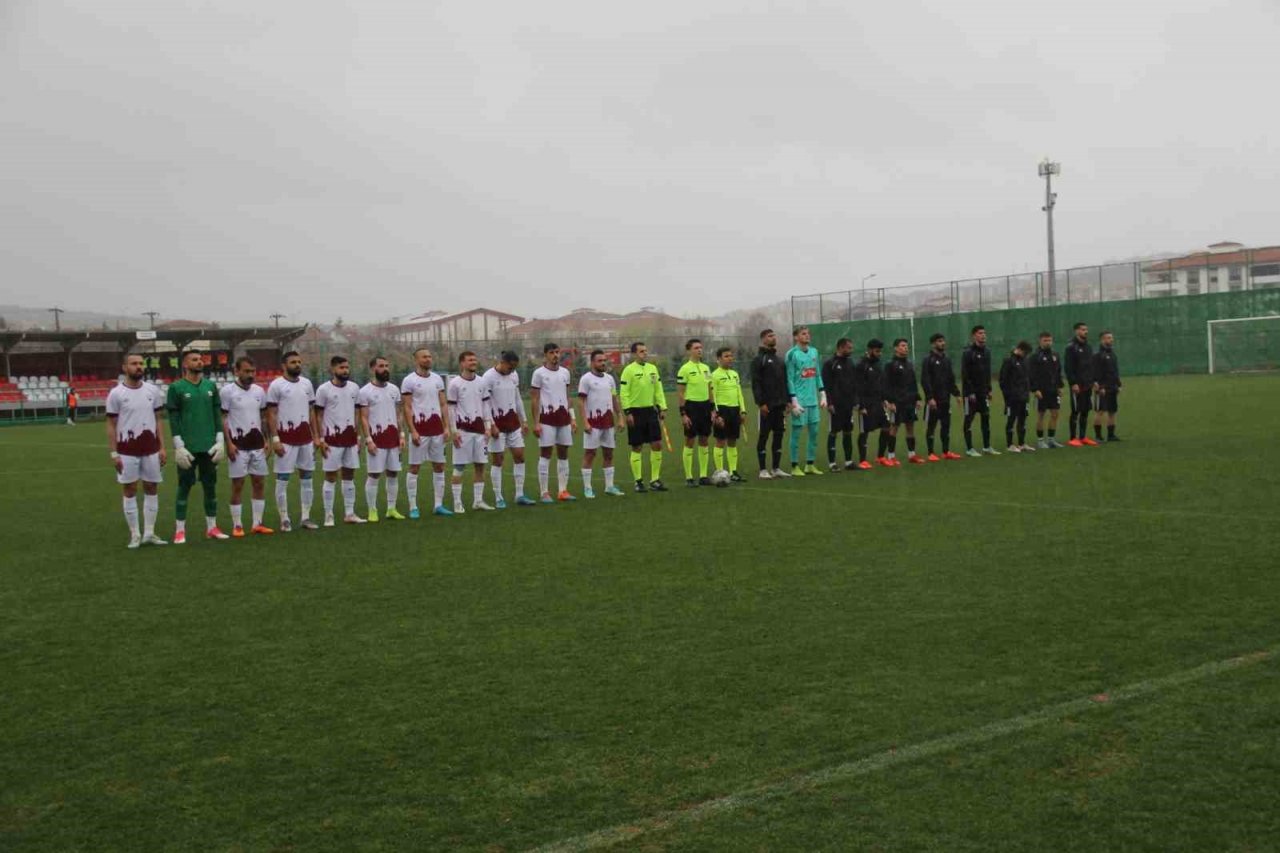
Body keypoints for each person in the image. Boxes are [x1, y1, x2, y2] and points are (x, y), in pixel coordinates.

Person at [106, 353, 168, 548]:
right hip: (126, 450)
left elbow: (158, 420)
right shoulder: (116, 394)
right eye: (134, 364)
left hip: (151, 449)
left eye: (141, 363)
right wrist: (114, 453)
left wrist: (162, 447)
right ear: (125, 367)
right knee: (130, 489)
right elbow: (111, 424)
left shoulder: (153, 391)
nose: (139, 367)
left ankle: (149, 532)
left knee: (151, 487)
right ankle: (135, 534)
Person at [167, 348, 227, 543]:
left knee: (210, 487)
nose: (199, 362)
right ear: (185, 364)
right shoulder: (176, 388)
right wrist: (178, 444)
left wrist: (220, 439)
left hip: (209, 446)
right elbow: (173, 418)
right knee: (184, 487)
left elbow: (217, 413)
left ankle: (212, 527)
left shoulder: (210, 386)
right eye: (194, 359)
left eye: (200, 359)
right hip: (188, 447)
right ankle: (180, 530)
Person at [220, 356, 274, 537]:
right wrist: (228, 444)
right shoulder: (227, 392)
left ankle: (257, 523)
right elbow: (223, 419)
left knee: (259, 483)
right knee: (238, 485)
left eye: (253, 371)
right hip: (238, 445)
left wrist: (266, 440)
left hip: (257, 445)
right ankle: (237, 525)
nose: (251, 375)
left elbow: (264, 417)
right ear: (237, 371)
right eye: (247, 371)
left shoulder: (259, 391)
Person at [265, 350, 318, 531]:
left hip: (306, 439)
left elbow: (312, 412)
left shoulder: (307, 384)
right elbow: (270, 414)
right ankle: (284, 518)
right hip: (285, 439)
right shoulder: (276, 386)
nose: (297, 365)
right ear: (284, 365)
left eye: (299, 362)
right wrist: (275, 439)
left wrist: (316, 436)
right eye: (293, 362)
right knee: (283, 478)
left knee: (307, 477)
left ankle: (306, 517)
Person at [312, 355, 365, 526]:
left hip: (350, 439)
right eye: (341, 368)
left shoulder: (354, 388)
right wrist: (320, 438)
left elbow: (357, 413)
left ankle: (349, 513)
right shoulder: (323, 390)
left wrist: (358, 436)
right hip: (331, 440)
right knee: (330, 476)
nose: (345, 371)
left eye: (347, 368)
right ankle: (329, 515)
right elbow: (318, 416)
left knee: (349, 475)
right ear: (333, 369)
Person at [401, 347, 453, 518]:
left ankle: (438, 505)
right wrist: (413, 430)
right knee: (414, 468)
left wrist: (446, 427)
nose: (428, 359)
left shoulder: (438, 379)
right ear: (416, 360)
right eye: (424, 357)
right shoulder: (409, 381)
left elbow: (444, 404)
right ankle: (413, 507)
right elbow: (407, 408)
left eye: (430, 356)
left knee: (439, 466)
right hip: (420, 431)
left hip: (437, 430)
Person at [483, 350, 535, 508]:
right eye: (510, 367)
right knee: (498, 460)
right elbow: (485, 403)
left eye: (514, 367)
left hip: (513, 423)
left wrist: (524, 420)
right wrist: (491, 424)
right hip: (497, 425)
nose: (512, 370)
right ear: (502, 362)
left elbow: (517, 398)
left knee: (520, 456)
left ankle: (519, 494)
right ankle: (499, 497)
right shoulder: (488, 377)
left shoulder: (514, 376)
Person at [358, 355, 407, 522]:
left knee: (393, 473)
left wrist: (401, 435)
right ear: (373, 369)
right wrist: (368, 440)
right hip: (376, 440)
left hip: (393, 438)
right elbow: (363, 418)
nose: (385, 369)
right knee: (374, 474)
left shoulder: (394, 389)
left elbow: (399, 414)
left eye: (387, 365)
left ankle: (391, 509)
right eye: (381, 366)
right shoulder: (365, 392)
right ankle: (372, 510)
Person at [447, 351, 496, 513]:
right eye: (470, 360)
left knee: (480, 466)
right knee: (459, 467)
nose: (473, 362)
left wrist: (488, 427)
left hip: (480, 432)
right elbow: (451, 409)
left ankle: (478, 501)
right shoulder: (454, 384)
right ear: (462, 363)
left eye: (475, 360)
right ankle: (457, 503)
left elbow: (486, 406)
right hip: (463, 432)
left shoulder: (482, 382)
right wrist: (454, 431)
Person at [618, 341, 669, 492]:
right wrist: (627, 412)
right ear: (634, 354)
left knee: (657, 444)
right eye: (641, 351)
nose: (645, 353)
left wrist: (662, 407)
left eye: (646, 351)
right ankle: (638, 481)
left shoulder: (653, 369)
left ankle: (654, 480)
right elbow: (624, 393)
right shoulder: (628, 370)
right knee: (637, 446)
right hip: (635, 413)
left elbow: (658, 389)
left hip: (650, 412)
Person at [530, 342, 578, 503]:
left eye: (557, 352)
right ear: (545, 355)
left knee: (563, 453)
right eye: (552, 352)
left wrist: (573, 418)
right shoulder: (539, 374)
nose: (556, 355)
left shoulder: (565, 372)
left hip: (563, 419)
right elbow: (535, 399)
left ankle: (563, 491)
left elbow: (568, 396)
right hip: (546, 419)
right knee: (546, 453)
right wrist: (536, 423)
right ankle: (544, 492)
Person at [578, 349, 626, 498]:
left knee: (609, 454)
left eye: (604, 360)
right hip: (593, 424)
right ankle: (587, 488)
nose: (603, 363)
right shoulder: (586, 379)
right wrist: (585, 422)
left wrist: (620, 416)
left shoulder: (610, 379)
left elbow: (614, 399)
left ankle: (609, 486)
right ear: (592, 362)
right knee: (590, 454)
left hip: (608, 423)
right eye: (600, 361)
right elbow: (580, 402)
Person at [784, 325, 826, 476]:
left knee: (814, 432)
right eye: (803, 334)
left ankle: (810, 464)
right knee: (796, 433)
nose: (807, 336)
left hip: (813, 400)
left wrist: (823, 394)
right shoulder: (791, 354)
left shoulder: (814, 352)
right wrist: (794, 401)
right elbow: (789, 379)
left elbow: (817, 374)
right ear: (796, 337)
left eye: (808, 334)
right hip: (799, 401)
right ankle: (795, 466)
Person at [749, 329, 790, 479]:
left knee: (778, 436)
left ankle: (776, 468)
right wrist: (761, 403)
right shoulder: (759, 359)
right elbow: (756, 383)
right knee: (764, 436)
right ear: (763, 339)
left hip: (780, 405)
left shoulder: (779, 360)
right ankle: (762, 470)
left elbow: (784, 382)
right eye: (770, 336)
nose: (773, 338)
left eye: (774, 335)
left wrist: (787, 401)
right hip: (766, 406)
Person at [677, 338, 715, 487]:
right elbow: (680, 393)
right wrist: (683, 413)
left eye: (701, 347)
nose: (699, 350)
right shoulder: (684, 369)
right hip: (691, 407)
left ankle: (704, 476)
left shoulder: (706, 368)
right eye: (696, 348)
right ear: (689, 351)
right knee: (690, 440)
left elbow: (710, 389)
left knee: (704, 440)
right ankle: (689, 477)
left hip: (705, 407)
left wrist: (713, 409)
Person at [920, 333, 963, 461]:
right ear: (933, 344)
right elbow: (925, 380)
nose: (942, 343)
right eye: (939, 341)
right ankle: (931, 453)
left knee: (946, 425)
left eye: (943, 341)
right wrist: (929, 397)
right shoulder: (928, 360)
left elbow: (950, 379)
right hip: (933, 400)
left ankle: (946, 451)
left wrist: (956, 394)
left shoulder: (946, 359)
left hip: (945, 399)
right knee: (931, 426)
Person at [710, 346, 748, 482]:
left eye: (731, 356)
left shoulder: (734, 374)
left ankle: (733, 472)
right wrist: (716, 414)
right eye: (726, 356)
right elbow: (712, 396)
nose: (730, 358)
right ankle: (720, 472)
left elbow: (739, 393)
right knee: (721, 441)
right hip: (722, 410)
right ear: (719, 359)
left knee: (732, 441)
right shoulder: (714, 375)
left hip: (734, 410)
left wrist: (743, 410)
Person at [884, 338, 924, 464]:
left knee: (910, 426)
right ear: (896, 348)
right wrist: (889, 402)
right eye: (902, 346)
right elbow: (886, 384)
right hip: (897, 402)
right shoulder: (890, 365)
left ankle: (912, 455)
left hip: (909, 401)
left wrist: (917, 398)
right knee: (894, 427)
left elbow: (913, 383)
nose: (905, 348)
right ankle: (891, 456)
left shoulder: (909, 364)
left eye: (906, 346)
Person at [961, 325, 999, 457]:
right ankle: (969, 449)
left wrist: (989, 389)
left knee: (986, 419)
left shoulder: (987, 352)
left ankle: (987, 447)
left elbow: (987, 373)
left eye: (984, 333)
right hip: (970, 394)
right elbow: (965, 374)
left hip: (983, 393)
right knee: (968, 419)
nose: (983, 335)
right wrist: (970, 392)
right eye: (980, 333)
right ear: (974, 336)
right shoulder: (968, 353)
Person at [821, 338, 858, 471]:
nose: (851, 350)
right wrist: (829, 402)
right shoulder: (829, 364)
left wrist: (855, 401)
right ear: (840, 347)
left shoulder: (850, 363)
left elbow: (854, 384)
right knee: (834, 432)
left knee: (848, 431)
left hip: (848, 404)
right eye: (848, 348)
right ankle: (832, 463)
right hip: (835, 404)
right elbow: (826, 385)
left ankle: (848, 462)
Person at [853, 339, 890, 469]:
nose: (879, 353)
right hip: (866, 403)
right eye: (877, 351)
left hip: (878, 402)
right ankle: (863, 460)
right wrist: (860, 405)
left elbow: (881, 384)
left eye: (880, 351)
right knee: (865, 431)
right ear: (869, 350)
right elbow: (856, 386)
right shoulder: (861, 365)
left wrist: (885, 399)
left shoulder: (878, 365)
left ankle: (880, 457)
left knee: (886, 427)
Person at [1028, 332, 1066, 449]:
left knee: (1055, 414)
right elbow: (1031, 375)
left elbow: (1058, 372)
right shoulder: (1035, 357)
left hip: (1053, 390)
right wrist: (1035, 389)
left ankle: (1051, 440)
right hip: (1041, 391)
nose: (1048, 343)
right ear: (1040, 341)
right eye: (1045, 340)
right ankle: (1040, 440)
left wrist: (1060, 386)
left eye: (1049, 340)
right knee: (1041, 415)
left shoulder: (1055, 355)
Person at [1064, 322, 1099, 447]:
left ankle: (1083, 436)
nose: (1086, 332)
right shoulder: (1071, 347)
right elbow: (1068, 367)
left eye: (1086, 329)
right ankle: (1073, 437)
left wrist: (1094, 381)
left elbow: (1091, 366)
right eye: (1083, 329)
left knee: (1085, 410)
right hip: (1077, 385)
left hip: (1087, 384)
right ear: (1076, 331)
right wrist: (1073, 383)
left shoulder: (1088, 347)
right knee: (1075, 410)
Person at [998, 342, 1034, 453]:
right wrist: (1007, 395)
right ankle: (1010, 445)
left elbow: (1026, 378)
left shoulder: (1025, 361)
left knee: (1022, 420)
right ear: (1019, 349)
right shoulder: (1009, 361)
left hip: (1024, 396)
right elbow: (1003, 380)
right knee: (1011, 420)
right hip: (1012, 397)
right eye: (1025, 353)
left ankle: (1022, 444)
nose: (1026, 355)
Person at [1092, 331, 1122, 442]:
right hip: (1102, 388)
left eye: (1111, 337)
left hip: (1113, 386)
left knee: (1112, 411)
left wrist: (1118, 384)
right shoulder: (1097, 355)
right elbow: (1095, 372)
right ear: (1102, 340)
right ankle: (1098, 436)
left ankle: (1111, 435)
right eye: (1109, 338)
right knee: (1100, 411)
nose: (1111, 339)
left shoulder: (1112, 353)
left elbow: (1115, 371)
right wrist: (1100, 386)